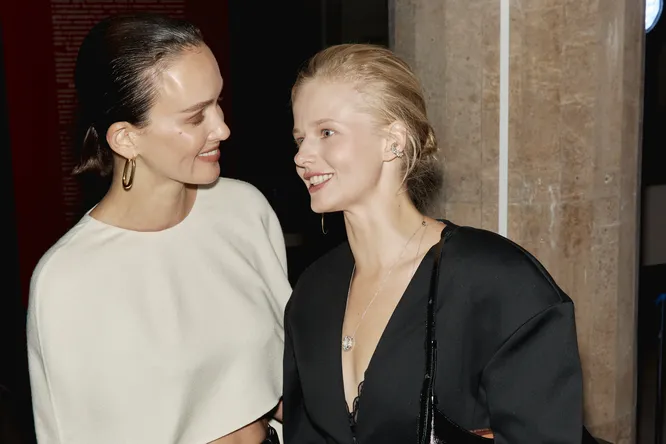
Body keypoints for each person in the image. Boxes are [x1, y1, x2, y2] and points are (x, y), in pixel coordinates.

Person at [283, 43, 586, 443]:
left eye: (326, 133)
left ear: (393, 140)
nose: (302, 156)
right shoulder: (313, 291)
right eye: (300, 138)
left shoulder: (496, 280)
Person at [27, 13, 290, 444]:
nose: (222, 128)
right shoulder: (68, 280)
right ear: (126, 139)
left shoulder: (244, 209)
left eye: (218, 102)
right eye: (195, 117)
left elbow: (286, 365)